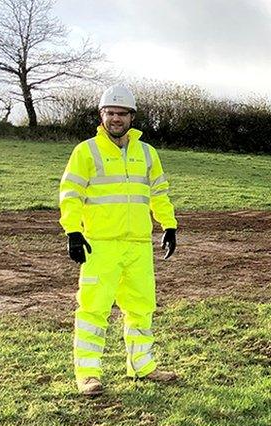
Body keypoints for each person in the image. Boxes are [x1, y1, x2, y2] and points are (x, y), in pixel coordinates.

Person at [58, 84, 179, 396]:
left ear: (132, 117)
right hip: (100, 245)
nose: (115, 118)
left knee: (141, 308)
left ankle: (142, 366)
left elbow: (158, 193)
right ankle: (88, 375)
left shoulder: (147, 154)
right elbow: (71, 195)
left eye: (121, 113)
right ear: (101, 115)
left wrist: (169, 225)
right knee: (93, 310)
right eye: (110, 112)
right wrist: (73, 230)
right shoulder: (86, 152)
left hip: (138, 246)